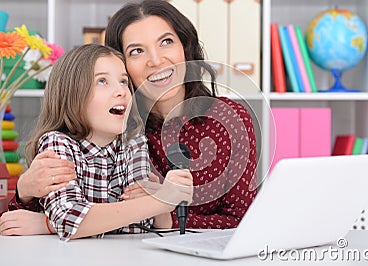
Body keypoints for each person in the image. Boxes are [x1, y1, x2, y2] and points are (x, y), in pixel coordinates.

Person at [0, 0, 257, 235]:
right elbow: (32, 218)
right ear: (121, 63)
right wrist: (26, 193)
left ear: (185, 47)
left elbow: (242, 218)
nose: (156, 60)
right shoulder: (117, 128)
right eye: (136, 51)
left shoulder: (230, 119)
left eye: (166, 41)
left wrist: (164, 215)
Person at [0, 43, 193, 241]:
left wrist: (48, 223)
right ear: (71, 94)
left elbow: (139, 225)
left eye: (123, 82)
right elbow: (70, 221)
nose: (121, 91)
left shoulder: (134, 144)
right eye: (102, 81)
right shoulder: (57, 144)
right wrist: (162, 200)